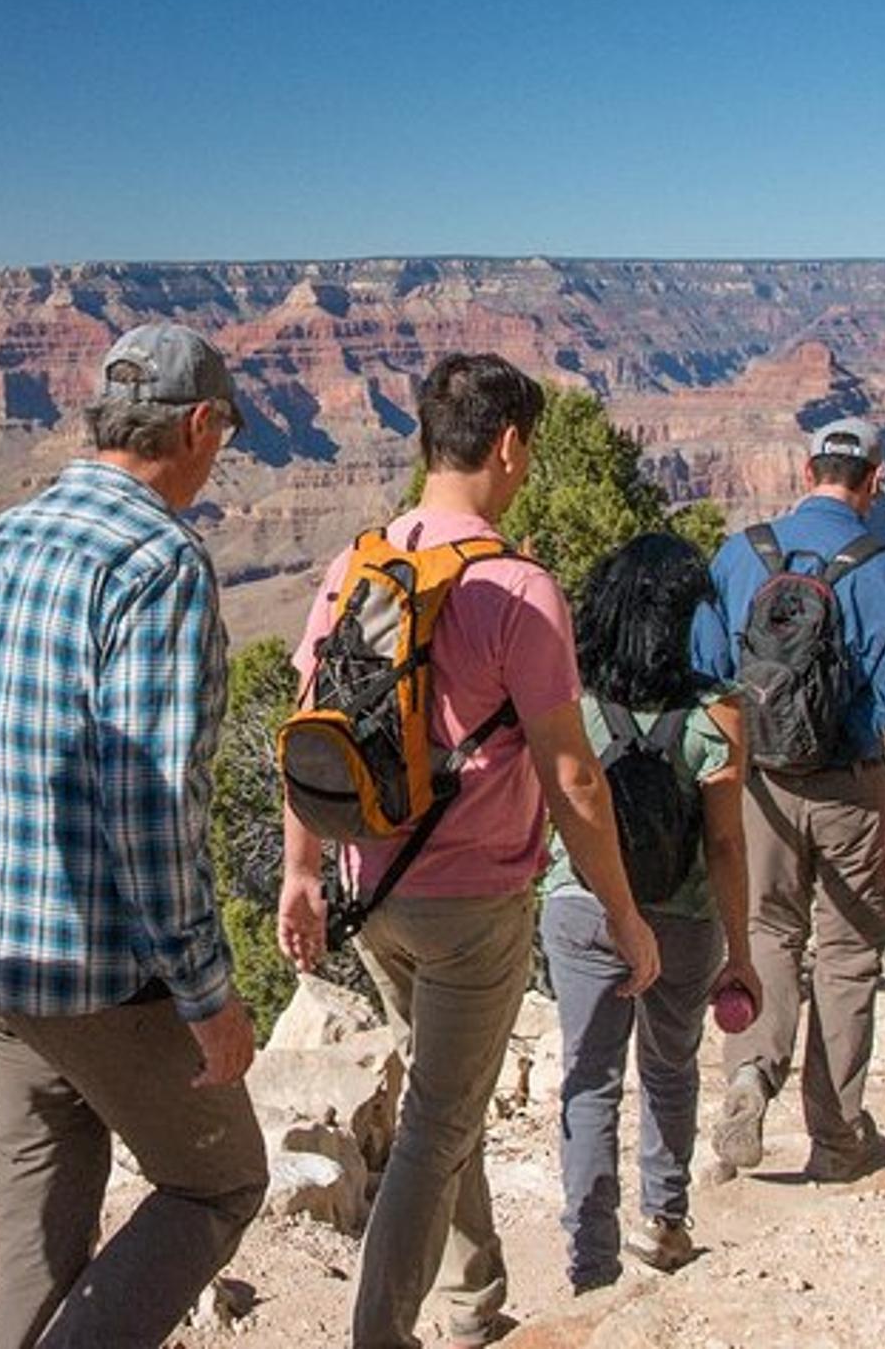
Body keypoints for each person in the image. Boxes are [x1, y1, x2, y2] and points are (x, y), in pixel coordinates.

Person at [279, 352, 661, 1349]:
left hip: (369, 889)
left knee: (445, 1103)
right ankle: (382, 1334)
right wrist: (622, 913)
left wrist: (299, 873)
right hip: (469, 910)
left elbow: (307, 724)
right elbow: (572, 775)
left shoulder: (354, 563)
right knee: (437, 1126)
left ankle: (473, 1304)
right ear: (505, 445)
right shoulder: (517, 588)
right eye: (526, 446)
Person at [0, 322, 267, 1349]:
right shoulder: (158, 562)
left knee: (37, 1234)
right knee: (218, 1183)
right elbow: (153, 804)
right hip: (96, 973)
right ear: (199, 425)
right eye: (224, 437)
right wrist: (207, 994)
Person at [692, 416, 885, 1183]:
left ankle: (748, 1077)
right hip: (853, 790)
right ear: (872, 481)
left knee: (763, 934)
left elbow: (704, 676)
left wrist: (715, 781)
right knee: (848, 955)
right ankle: (835, 1140)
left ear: (807, 472)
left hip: (758, 783)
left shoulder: (740, 555)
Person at [538, 533, 762, 1291]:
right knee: (670, 1069)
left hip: (582, 908)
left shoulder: (569, 701)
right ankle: (665, 1221)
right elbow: (727, 845)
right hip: (685, 913)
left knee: (589, 1080)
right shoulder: (719, 711)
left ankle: (590, 1260)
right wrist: (741, 951)